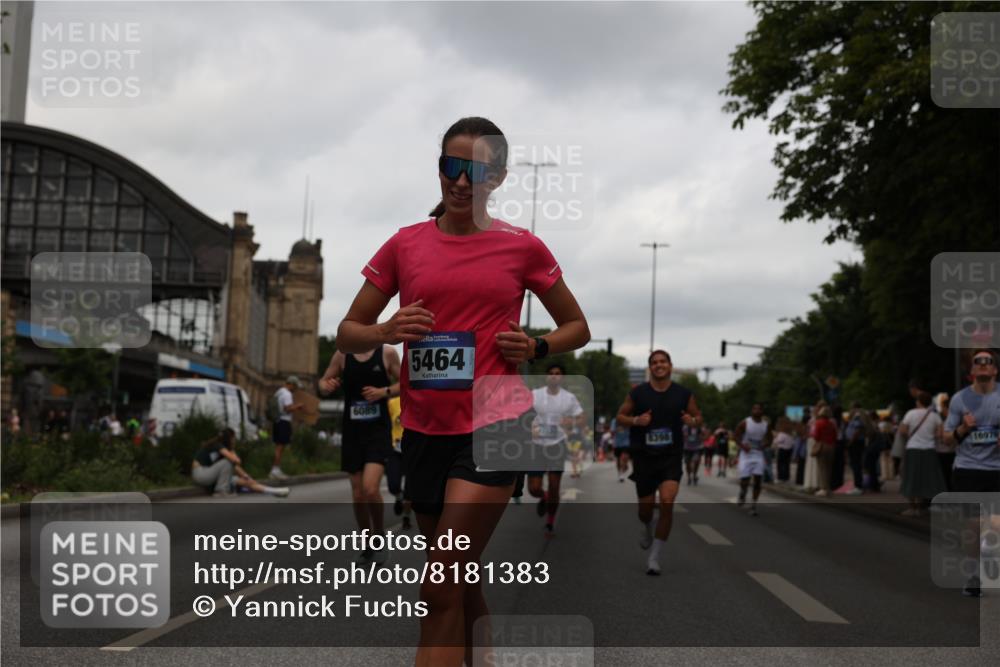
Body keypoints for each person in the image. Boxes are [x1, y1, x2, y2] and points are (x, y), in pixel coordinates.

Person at [335, 116, 590, 666]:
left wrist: (537, 347)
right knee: (461, 581)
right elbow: (347, 331)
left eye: (474, 171)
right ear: (440, 169)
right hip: (426, 430)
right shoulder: (405, 245)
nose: (460, 181)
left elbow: (578, 326)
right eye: (451, 167)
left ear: (495, 178)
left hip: (496, 424)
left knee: (439, 585)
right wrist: (386, 329)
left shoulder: (522, 247)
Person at [616, 349, 701, 575]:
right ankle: (647, 526)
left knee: (666, 501)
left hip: (671, 456)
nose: (659, 365)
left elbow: (698, 418)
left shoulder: (684, 394)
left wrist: (690, 420)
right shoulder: (638, 393)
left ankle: (654, 557)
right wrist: (637, 420)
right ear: (650, 368)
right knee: (645, 511)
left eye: (663, 362)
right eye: (654, 362)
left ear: (670, 366)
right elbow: (620, 417)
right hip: (644, 457)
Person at [319, 346, 401, 564]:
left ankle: (379, 537)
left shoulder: (387, 353)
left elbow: (406, 383)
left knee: (370, 488)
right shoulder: (342, 355)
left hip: (378, 431)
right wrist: (327, 385)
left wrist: (383, 392)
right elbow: (323, 382)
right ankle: (367, 544)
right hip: (353, 432)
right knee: (357, 493)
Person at [944, 348, 1000, 598]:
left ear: (995, 370)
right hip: (967, 469)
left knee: (995, 524)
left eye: (989, 362)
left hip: (996, 469)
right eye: (979, 362)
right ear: (972, 371)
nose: (984, 365)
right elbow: (946, 439)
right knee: (974, 526)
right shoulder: (959, 400)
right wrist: (963, 430)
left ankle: (989, 556)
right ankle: (975, 575)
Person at [527, 363, 585, 535]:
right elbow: (522, 414)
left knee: (554, 486)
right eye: (551, 373)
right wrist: (530, 428)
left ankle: (550, 522)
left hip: (557, 444)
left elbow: (581, 418)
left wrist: (573, 422)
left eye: (557, 373)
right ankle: (543, 498)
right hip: (536, 444)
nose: (554, 376)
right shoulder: (535, 395)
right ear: (547, 376)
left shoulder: (569, 398)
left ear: (562, 377)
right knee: (534, 489)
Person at [192, 428, 290, 497]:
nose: (234, 441)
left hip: (212, 475)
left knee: (244, 481)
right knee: (227, 462)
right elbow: (236, 461)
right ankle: (221, 491)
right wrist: (232, 450)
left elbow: (235, 467)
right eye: (233, 438)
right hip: (201, 474)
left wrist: (247, 477)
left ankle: (274, 491)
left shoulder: (223, 450)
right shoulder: (218, 446)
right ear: (228, 438)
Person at [899, 390, 946, 516]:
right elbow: (941, 434)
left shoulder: (910, 413)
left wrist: (912, 435)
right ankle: (921, 507)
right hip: (929, 450)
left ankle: (912, 508)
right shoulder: (935, 416)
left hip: (913, 448)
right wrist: (930, 435)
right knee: (925, 479)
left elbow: (902, 430)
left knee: (911, 478)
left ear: (918, 401)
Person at [734, 403, 771, 516]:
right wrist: (742, 445)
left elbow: (770, 438)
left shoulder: (765, 425)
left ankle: (753, 505)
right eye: (754, 408)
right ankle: (743, 492)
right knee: (745, 480)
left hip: (758, 454)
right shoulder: (745, 422)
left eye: (759, 409)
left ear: (762, 411)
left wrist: (764, 445)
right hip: (746, 454)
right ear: (752, 410)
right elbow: (736, 436)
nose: (756, 411)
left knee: (758, 479)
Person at [386, 395, 413, 530]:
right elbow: (385, 424)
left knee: (410, 490)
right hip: (395, 449)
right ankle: (399, 497)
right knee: (393, 485)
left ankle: (406, 517)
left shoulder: (418, 399)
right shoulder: (392, 403)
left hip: (413, 451)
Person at [270, 376, 303, 479]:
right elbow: (287, 408)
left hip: (277, 421)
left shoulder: (279, 392)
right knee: (280, 447)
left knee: (278, 446)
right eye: (296, 386)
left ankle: (275, 469)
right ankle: (275, 469)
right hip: (284, 422)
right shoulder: (287, 394)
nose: (296, 389)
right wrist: (298, 406)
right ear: (291, 384)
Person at [811, 405, 838, 496]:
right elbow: (835, 436)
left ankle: (823, 489)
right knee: (829, 468)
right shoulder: (832, 424)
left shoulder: (818, 423)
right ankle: (828, 488)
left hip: (822, 446)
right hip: (831, 446)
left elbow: (816, 436)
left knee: (822, 468)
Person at [936, 393, 955, 492]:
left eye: (942, 407)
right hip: (952, 453)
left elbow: (945, 439)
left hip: (944, 453)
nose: (941, 409)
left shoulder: (947, 421)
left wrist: (938, 435)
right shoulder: (955, 420)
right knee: (950, 479)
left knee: (946, 479)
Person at [773, 417, 795, 483]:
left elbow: (777, 441)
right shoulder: (790, 434)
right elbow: (792, 443)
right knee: (786, 464)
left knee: (780, 464)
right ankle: (786, 477)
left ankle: (780, 477)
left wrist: (775, 438)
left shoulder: (781, 434)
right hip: (789, 450)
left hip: (782, 450)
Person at [682, 420, 703, 486]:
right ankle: (689, 477)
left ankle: (694, 475)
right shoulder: (685, 428)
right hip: (687, 448)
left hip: (696, 448)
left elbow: (702, 437)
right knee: (687, 464)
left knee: (696, 461)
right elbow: (682, 436)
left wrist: (701, 439)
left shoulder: (699, 429)